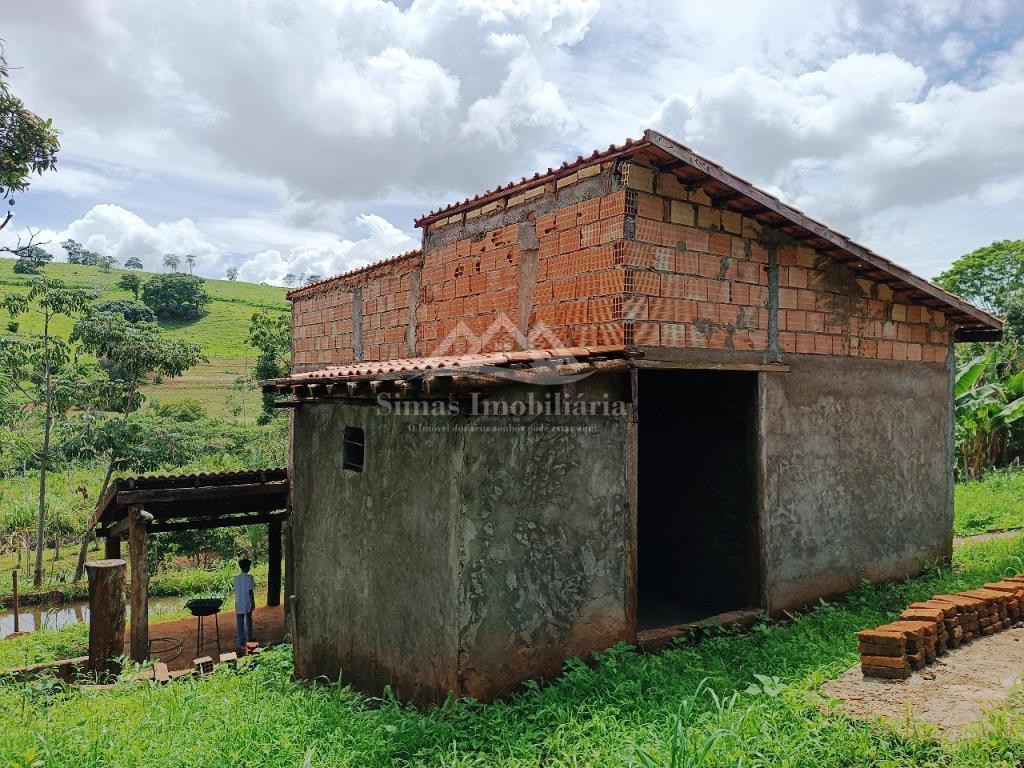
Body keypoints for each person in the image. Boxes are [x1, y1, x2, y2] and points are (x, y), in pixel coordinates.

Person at [233, 558, 256, 650]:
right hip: (247, 601)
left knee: (240, 622)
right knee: (249, 620)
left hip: (239, 602)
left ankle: (240, 641)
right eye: (249, 566)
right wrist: (253, 602)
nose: (249, 568)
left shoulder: (236, 579)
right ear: (246, 567)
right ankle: (250, 637)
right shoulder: (249, 578)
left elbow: (237, 591)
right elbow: (250, 592)